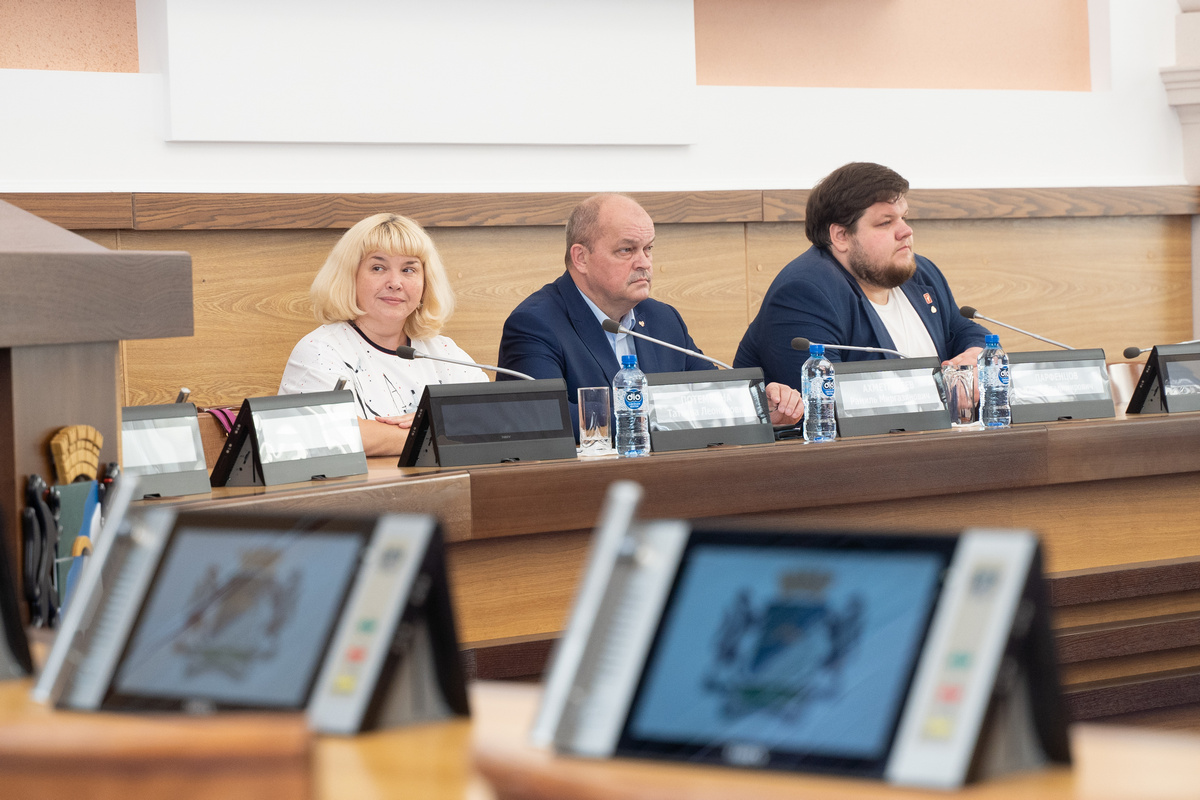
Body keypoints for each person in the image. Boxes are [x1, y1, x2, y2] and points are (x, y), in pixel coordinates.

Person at [498, 193, 802, 432]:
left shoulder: (663, 320)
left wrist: (760, 407)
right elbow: (545, 420)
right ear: (581, 258)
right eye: (626, 250)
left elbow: (712, 396)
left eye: (648, 249)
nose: (643, 262)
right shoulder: (535, 324)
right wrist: (660, 416)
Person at [734, 162, 989, 386]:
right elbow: (828, 401)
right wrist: (950, 391)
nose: (906, 231)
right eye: (885, 222)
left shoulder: (921, 274)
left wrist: (976, 354)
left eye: (904, 217)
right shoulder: (804, 294)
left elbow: (961, 328)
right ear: (841, 236)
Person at [279, 213, 487, 455]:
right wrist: (438, 427)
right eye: (378, 268)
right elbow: (334, 434)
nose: (395, 282)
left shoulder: (443, 351)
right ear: (350, 276)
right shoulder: (319, 349)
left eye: (409, 269)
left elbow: (495, 419)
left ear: (425, 283)